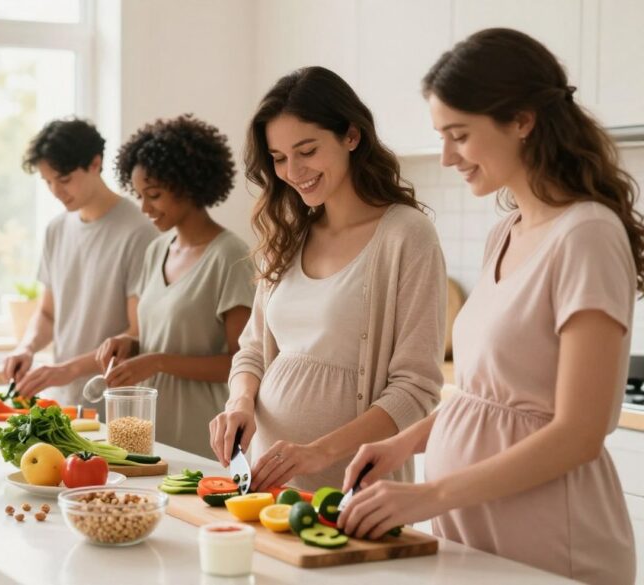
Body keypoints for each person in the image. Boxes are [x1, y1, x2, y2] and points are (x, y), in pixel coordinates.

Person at [338, 29, 638, 585]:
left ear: (522, 121)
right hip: (471, 531)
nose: (448, 156)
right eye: (442, 136)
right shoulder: (505, 231)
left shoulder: (587, 235)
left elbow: (580, 432)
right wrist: (404, 443)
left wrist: (428, 494)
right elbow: (487, 399)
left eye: (460, 135)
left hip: (548, 539)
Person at [209, 67, 446, 492]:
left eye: (307, 150)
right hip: (267, 476)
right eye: (279, 158)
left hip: (353, 485)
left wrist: (320, 451)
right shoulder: (288, 234)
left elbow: (416, 390)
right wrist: (240, 401)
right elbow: (252, 350)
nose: (293, 170)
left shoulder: (406, 235)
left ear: (351, 136)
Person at [95, 114, 255, 457]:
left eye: (153, 194)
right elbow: (150, 334)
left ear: (189, 185)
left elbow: (241, 362)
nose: (144, 207)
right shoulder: (156, 251)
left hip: (202, 439)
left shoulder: (231, 256)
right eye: (138, 195)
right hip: (149, 436)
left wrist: (158, 362)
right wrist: (128, 343)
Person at [2, 118, 157, 406]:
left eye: (63, 179)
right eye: (48, 182)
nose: (56, 191)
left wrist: (67, 369)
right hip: (64, 402)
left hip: (114, 401)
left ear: (95, 164)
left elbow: (137, 334)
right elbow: (48, 314)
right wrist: (26, 347)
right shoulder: (56, 230)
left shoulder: (139, 232)